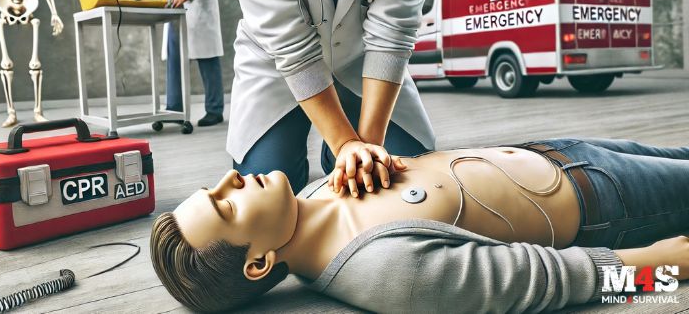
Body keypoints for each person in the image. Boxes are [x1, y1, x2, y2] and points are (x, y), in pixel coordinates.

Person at [150, 138, 689, 313]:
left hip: (561, 151)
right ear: (260, 261)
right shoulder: (387, 270)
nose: (228, 178)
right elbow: (556, 281)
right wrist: (668, 271)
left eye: (212, 188)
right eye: (224, 205)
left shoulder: (313, 193)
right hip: (611, 204)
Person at [216, 0, 438, 192]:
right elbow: (291, 46)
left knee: (412, 180)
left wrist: (363, 153)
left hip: (364, 57)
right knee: (267, 194)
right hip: (277, 64)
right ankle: (335, 138)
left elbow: (392, 35)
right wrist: (344, 142)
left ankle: (334, 151)